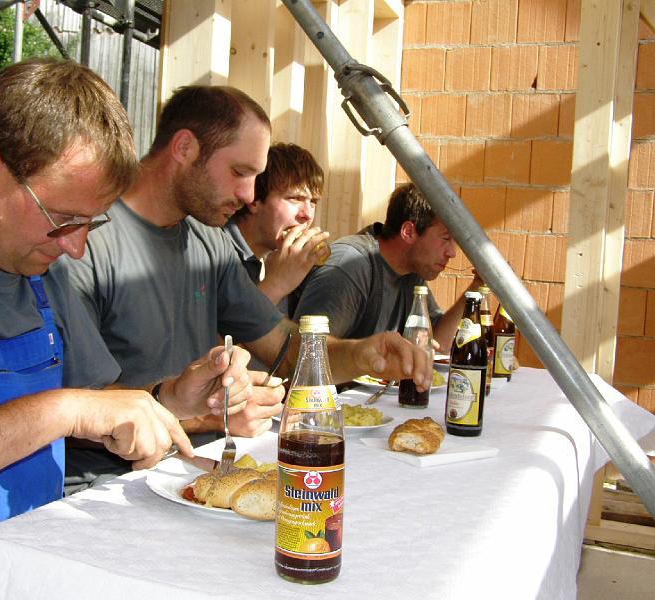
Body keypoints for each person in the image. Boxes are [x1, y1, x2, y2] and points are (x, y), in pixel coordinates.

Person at [0, 59, 253, 597]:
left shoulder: (41, 269)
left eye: (92, 222)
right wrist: (59, 410)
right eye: (64, 218)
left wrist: (171, 400)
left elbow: (96, 406)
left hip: (23, 569)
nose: (76, 246)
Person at [66, 85, 432, 436]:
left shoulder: (208, 239)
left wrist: (363, 353)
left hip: (200, 466)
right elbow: (78, 410)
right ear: (184, 148)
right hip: (108, 484)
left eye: (256, 177)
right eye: (240, 173)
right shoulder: (80, 241)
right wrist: (209, 416)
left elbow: (286, 349)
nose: (249, 194)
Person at [291, 182, 481, 347]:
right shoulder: (350, 266)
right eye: (445, 238)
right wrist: (372, 357)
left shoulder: (412, 271)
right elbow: (306, 352)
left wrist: (476, 287)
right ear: (408, 232)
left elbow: (438, 341)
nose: (452, 252)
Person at [223, 142, 330, 313]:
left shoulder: (272, 261)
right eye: (295, 198)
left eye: (314, 202)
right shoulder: (214, 252)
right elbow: (214, 337)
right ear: (255, 200)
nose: (308, 214)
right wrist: (276, 284)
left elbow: (273, 336)